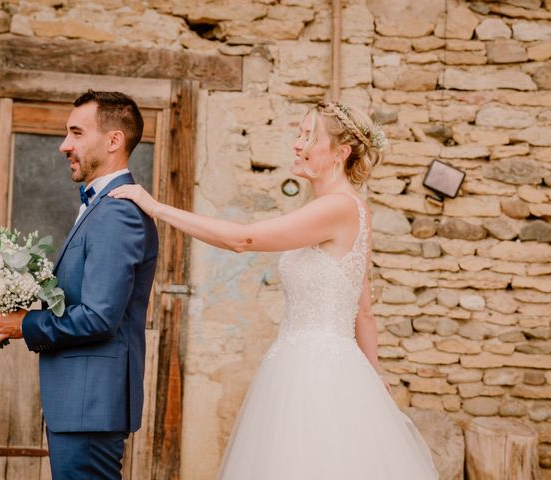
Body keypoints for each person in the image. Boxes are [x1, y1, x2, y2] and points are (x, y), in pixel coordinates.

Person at [109, 101, 439, 479]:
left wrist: (157, 208)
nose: (297, 145)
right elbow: (362, 304)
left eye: (308, 136)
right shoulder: (350, 209)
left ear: (340, 152)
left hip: (318, 376)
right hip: (303, 365)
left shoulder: (337, 208)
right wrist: (375, 372)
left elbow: (243, 239)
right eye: (299, 134)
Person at [0, 90, 159, 479]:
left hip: (90, 405)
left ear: (114, 140)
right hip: (82, 404)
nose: (65, 145)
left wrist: (23, 325)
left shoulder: (117, 213)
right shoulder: (100, 206)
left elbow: (98, 316)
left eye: (76, 133)